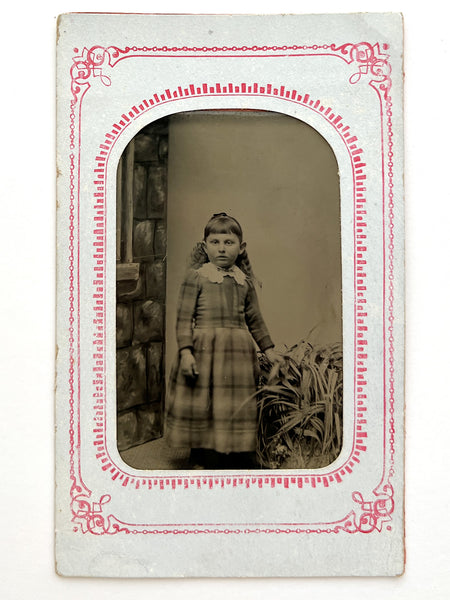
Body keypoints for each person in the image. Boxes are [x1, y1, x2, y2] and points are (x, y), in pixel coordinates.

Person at [165, 212, 281, 469]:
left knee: (234, 405)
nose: (221, 248)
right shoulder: (196, 277)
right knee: (204, 404)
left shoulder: (244, 282)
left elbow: (255, 319)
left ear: (241, 248)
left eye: (229, 243)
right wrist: (186, 352)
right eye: (215, 242)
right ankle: (203, 457)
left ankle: (237, 457)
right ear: (205, 246)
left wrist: (269, 349)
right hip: (205, 352)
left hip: (238, 355)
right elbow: (184, 319)